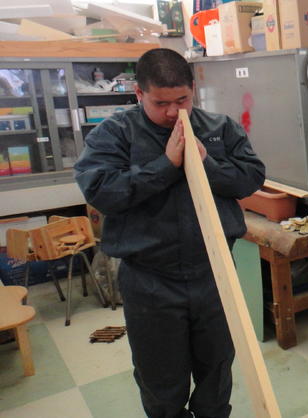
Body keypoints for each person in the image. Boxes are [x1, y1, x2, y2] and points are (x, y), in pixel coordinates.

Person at [74, 48, 265, 417]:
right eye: (161, 103)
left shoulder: (220, 128)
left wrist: (207, 163)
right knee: (160, 381)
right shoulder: (114, 134)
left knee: (216, 372)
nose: (174, 112)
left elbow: (251, 178)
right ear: (139, 93)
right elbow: (101, 192)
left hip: (214, 274)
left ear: (193, 90)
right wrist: (166, 165)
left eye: (183, 100)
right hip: (150, 280)